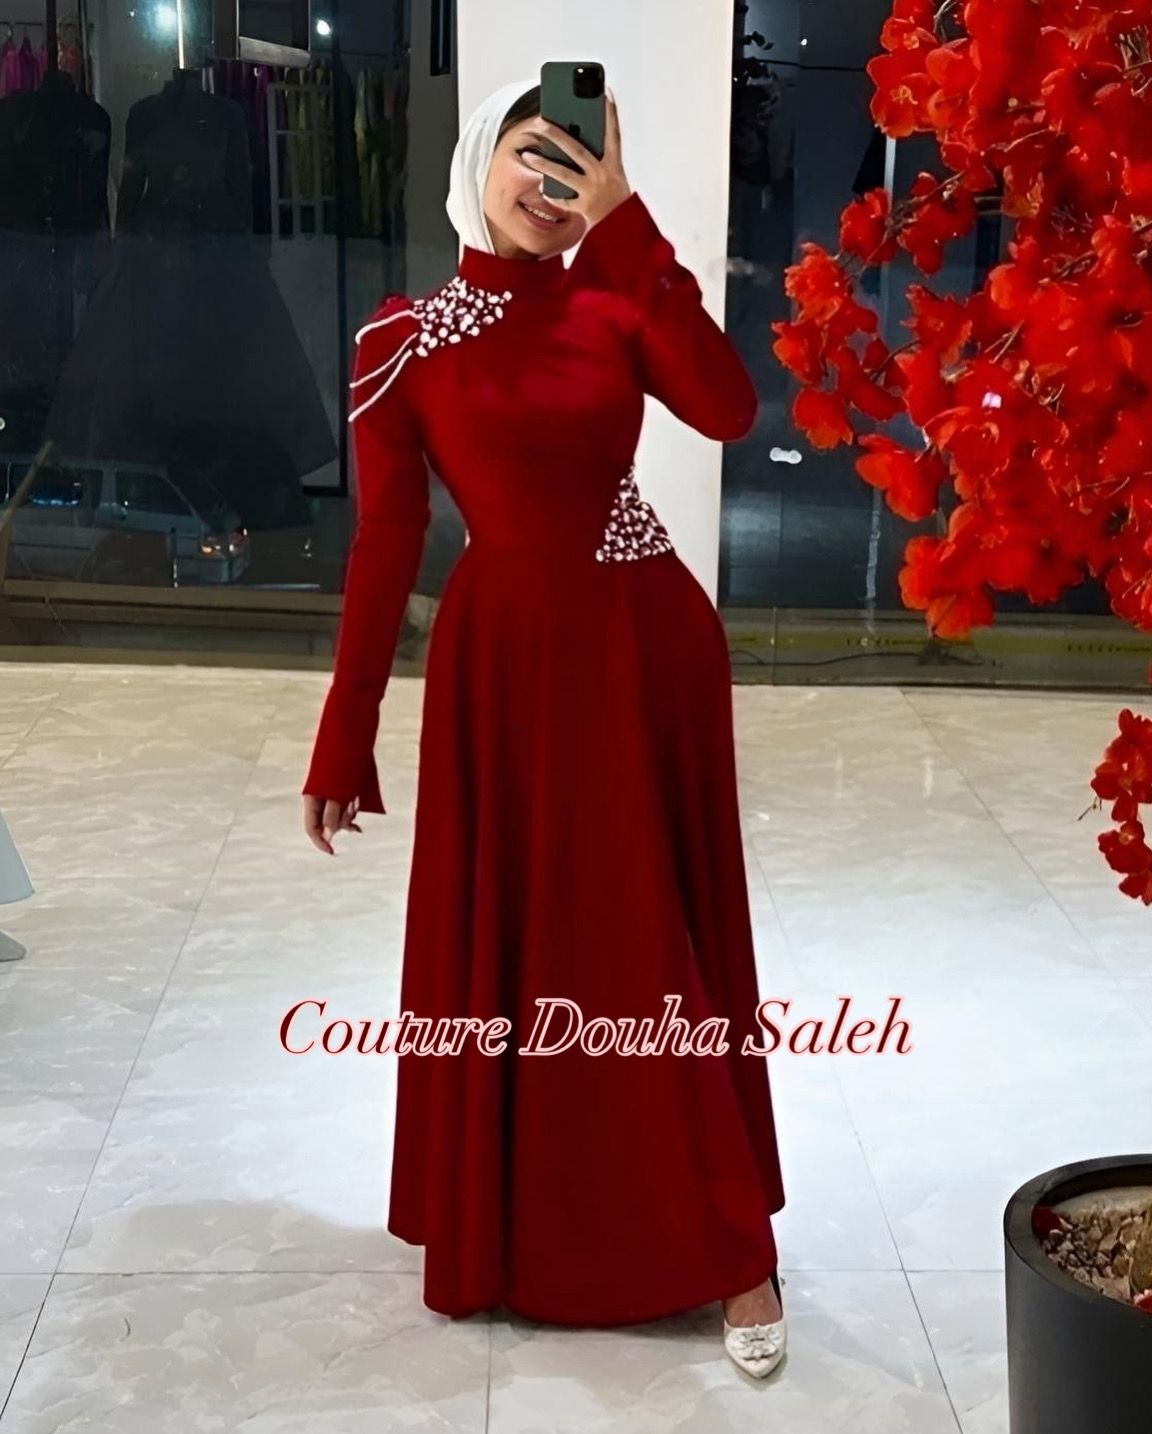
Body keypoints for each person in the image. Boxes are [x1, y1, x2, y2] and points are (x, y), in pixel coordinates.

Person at [301, 77, 787, 1378]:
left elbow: (728, 409)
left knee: (651, 939)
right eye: (532, 152)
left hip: (641, 650)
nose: (550, 182)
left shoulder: (619, 297)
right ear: (483, 158)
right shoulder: (403, 337)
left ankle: (729, 1242)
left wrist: (629, 226)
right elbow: (386, 539)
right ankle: (515, 1225)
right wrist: (345, 730)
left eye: (576, 162)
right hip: (504, 668)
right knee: (527, 951)